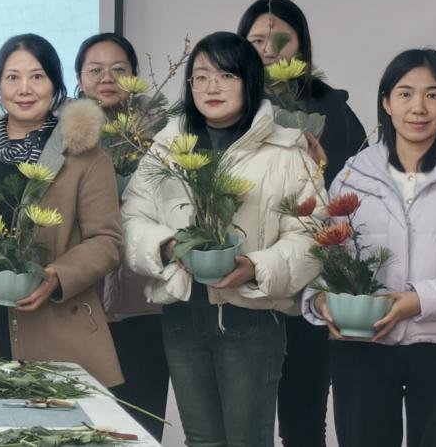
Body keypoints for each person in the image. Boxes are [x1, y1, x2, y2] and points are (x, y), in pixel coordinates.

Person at [122, 32, 322, 447]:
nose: (211, 86)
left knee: (248, 441)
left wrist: (256, 267)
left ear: (250, 80)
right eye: (200, 76)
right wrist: (167, 246)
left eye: (226, 75)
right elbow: (131, 218)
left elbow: (311, 235)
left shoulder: (286, 152)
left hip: (251, 319)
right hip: (182, 316)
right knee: (201, 441)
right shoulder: (166, 147)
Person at [305, 49, 436, 447]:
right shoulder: (352, 177)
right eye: (405, 93)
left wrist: (417, 301)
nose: (418, 107)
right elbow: (322, 259)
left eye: (432, 95)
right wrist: (319, 301)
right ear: (386, 102)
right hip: (362, 348)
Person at [0, 35, 124, 387]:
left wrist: (57, 276)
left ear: (55, 85)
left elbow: (107, 240)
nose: (24, 89)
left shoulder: (85, 156)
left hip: (62, 332)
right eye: (12, 77)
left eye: (37, 76)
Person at [238, 0, 368, 447]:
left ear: (302, 46)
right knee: (243, 426)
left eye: (281, 40)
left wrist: (321, 166)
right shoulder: (225, 106)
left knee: (303, 419)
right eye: (256, 39)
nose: (268, 49)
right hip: (243, 283)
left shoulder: (333, 109)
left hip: (309, 284)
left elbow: (359, 194)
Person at [75, 33, 169, 438]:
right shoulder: (62, 137)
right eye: (95, 70)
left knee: (142, 421)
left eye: (118, 69)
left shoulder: (165, 133)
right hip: (82, 302)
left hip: (144, 299)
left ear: (135, 75)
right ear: (79, 79)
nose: (106, 78)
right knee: (84, 424)